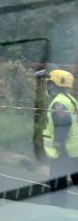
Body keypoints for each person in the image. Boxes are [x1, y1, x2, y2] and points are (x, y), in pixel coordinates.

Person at [40, 69, 78, 207]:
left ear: (53, 85)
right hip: (74, 149)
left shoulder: (59, 103)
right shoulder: (71, 100)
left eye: (49, 84)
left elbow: (64, 124)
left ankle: (57, 209)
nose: (48, 87)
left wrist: (58, 142)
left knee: (57, 181)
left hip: (64, 150)